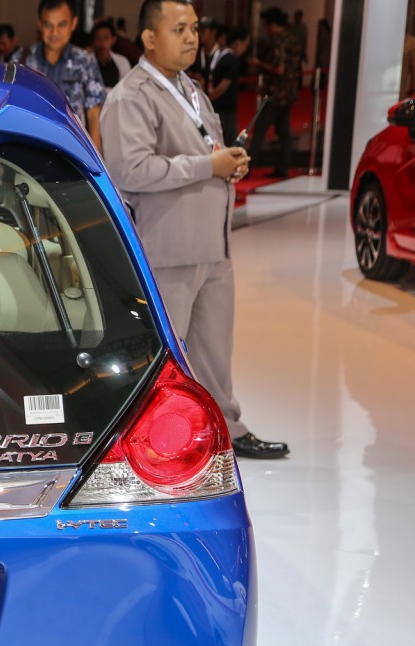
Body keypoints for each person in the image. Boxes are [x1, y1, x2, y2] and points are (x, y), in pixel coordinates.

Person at [100, 0, 288, 461]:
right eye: (179, 28)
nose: (191, 37)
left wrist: (229, 162)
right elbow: (130, 169)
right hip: (169, 248)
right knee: (163, 357)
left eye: (194, 28)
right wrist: (209, 165)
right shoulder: (131, 96)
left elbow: (209, 148)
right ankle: (144, 444)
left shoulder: (190, 88)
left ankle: (228, 427)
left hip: (213, 246)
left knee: (214, 352)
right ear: (149, 37)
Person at [25, 0, 106, 152]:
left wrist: (96, 165)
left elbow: (94, 115)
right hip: (30, 151)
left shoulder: (85, 61)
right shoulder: (23, 60)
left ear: (73, 23)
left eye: (61, 24)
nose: (54, 33)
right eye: (48, 25)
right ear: (40, 25)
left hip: (73, 153)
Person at [246, 7, 302, 178]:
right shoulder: (292, 38)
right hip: (290, 91)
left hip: (277, 93)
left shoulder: (278, 40)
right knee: (284, 131)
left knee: (261, 128)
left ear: (271, 24)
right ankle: (284, 165)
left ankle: (248, 166)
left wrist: (259, 64)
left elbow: (279, 69)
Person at [210, 26, 249, 148]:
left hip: (217, 107)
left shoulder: (219, 55)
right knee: (230, 144)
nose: (245, 49)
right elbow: (223, 86)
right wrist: (208, 99)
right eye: (245, 45)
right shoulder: (233, 60)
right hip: (226, 109)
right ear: (237, 43)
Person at [90, 20, 130, 88]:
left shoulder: (122, 62)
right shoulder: (86, 61)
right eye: (98, 38)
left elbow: (126, 87)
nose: (102, 42)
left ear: (113, 40)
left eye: (106, 38)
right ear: (93, 40)